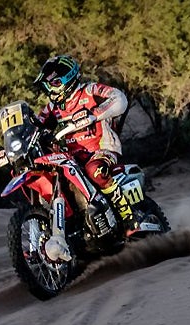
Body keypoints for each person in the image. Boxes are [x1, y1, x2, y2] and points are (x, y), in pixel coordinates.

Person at [32, 54, 139, 236]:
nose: (51, 88)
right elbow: (36, 125)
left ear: (68, 79)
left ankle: (129, 217)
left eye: (55, 83)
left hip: (102, 148)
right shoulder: (53, 107)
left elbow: (120, 99)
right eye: (49, 84)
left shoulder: (90, 91)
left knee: (94, 170)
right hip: (72, 158)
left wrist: (93, 115)